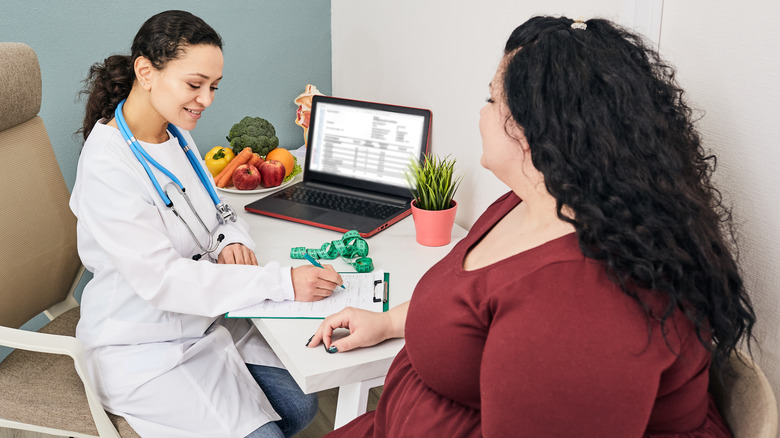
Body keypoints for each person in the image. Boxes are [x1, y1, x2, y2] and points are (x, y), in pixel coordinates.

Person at [307, 16, 757, 437]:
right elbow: (469, 302)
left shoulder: (581, 307)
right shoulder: (532, 201)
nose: (481, 114)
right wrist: (387, 322)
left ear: (529, 129)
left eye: (491, 99)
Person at [70, 10, 343, 438]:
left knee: (299, 405)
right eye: (195, 85)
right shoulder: (109, 165)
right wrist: (283, 283)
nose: (207, 99)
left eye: (213, 87)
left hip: (206, 320)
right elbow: (165, 281)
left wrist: (228, 238)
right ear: (146, 71)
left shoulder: (174, 133)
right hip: (143, 345)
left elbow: (218, 208)